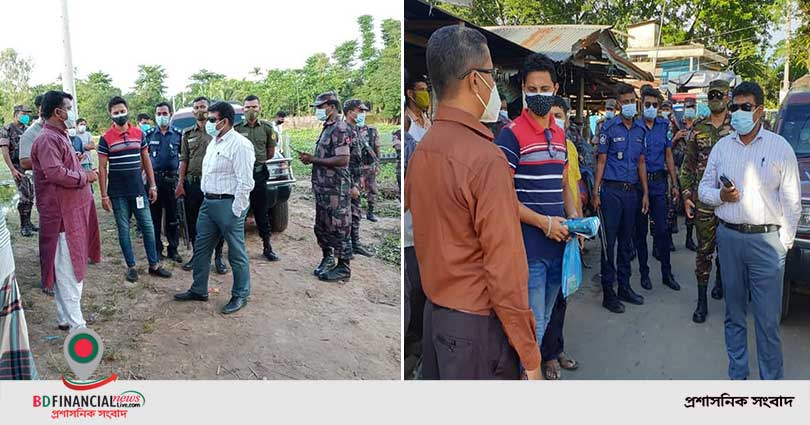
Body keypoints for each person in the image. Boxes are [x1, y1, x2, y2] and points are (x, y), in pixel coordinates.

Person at [405, 25, 542, 380]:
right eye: (492, 74)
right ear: (475, 81)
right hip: (476, 329)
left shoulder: (424, 150)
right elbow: (506, 272)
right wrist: (530, 357)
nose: (495, 84)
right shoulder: (485, 159)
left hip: (437, 317)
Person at [699, 81, 801, 380]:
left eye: (746, 107)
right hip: (729, 238)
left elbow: (792, 200)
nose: (739, 113)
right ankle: (738, 376)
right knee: (734, 315)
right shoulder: (722, 147)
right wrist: (721, 197)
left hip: (766, 243)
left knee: (767, 321)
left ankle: (771, 382)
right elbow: (704, 188)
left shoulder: (779, 147)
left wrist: (783, 243)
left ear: (759, 110)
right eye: (735, 107)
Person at [495, 53, 578, 378]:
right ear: (523, 91)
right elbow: (501, 199)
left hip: (560, 245)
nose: (539, 95)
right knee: (532, 324)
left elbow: (563, 184)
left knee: (543, 323)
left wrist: (573, 219)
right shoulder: (510, 135)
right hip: (528, 249)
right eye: (533, 89)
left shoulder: (559, 134)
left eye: (545, 88)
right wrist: (544, 223)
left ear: (556, 89)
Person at [174, 101, 255, 314]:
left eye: (211, 120)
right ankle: (199, 289)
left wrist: (237, 210)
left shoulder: (240, 145)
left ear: (224, 121)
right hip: (208, 203)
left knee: (236, 252)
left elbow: (246, 181)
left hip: (228, 204)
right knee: (201, 249)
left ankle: (240, 294)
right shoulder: (214, 142)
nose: (207, 122)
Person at [30, 90, 101, 331]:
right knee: (69, 269)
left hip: (70, 212)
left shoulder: (60, 136)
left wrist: (76, 161)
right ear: (58, 112)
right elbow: (56, 173)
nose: (72, 114)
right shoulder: (47, 139)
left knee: (64, 267)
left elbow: (61, 166)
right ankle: (76, 325)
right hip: (61, 216)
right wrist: (85, 176)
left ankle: (64, 317)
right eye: (69, 108)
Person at [97, 96, 171, 283]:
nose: (120, 114)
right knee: (124, 229)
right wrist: (104, 195)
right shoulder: (106, 139)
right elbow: (103, 168)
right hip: (118, 193)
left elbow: (146, 160)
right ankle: (131, 267)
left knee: (147, 227)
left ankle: (154, 265)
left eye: (122, 111)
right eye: (116, 112)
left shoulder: (139, 134)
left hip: (139, 190)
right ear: (110, 114)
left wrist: (152, 185)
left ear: (127, 110)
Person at [680, 80, 733, 323]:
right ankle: (702, 302)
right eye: (710, 94)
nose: (714, 98)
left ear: (727, 96)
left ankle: (722, 283)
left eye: (718, 94)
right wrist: (686, 196)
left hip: (731, 201)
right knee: (704, 250)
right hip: (704, 201)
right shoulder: (698, 129)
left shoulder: (737, 127)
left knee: (729, 251)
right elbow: (687, 167)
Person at [593, 83, 649, 314]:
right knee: (610, 244)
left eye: (631, 101)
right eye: (624, 101)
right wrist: (595, 192)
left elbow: (641, 163)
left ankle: (625, 286)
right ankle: (609, 293)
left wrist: (645, 192)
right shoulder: (609, 128)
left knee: (627, 243)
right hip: (611, 193)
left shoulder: (640, 130)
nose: (629, 105)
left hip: (632, 193)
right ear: (618, 104)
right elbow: (602, 161)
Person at [542, 95, 582, 380]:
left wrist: (578, 225)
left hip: (566, 230)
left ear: (566, 118)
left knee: (561, 299)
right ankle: (544, 358)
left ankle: (556, 350)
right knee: (541, 302)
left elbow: (572, 187)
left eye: (559, 115)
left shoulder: (568, 148)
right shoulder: (535, 146)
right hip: (542, 230)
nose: (555, 119)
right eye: (551, 114)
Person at [298, 92, 353, 282]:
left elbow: (343, 159)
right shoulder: (328, 127)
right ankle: (328, 258)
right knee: (322, 226)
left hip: (336, 189)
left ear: (331, 106)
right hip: (323, 188)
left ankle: (344, 266)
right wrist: (312, 160)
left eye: (320, 107)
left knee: (339, 227)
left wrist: (314, 159)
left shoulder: (339, 127)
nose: (318, 111)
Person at [633, 88, 680, 292]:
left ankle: (666, 273)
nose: (650, 108)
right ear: (641, 104)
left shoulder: (664, 126)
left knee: (662, 230)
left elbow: (668, 155)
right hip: (638, 186)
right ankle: (644, 273)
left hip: (659, 184)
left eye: (654, 105)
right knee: (640, 232)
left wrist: (675, 183)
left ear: (659, 107)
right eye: (647, 104)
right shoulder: (633, 126)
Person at [175, 96, 227, 274]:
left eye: (203, 106)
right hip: (193, 184)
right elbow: (184, 159)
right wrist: (180, 183)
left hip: (215, 185)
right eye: (196, 107)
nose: (199, 110)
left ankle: (219, 257)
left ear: (209, 108)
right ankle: (197, 256)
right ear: (193, 112)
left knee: (218, 222)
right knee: (193, 222)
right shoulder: (188, 133)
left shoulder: (218, 131)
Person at [234, 94, 280, 261]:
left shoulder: (267, 129)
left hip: (259, 174)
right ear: (243, 110)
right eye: (247, 107)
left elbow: (270, 153)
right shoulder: (237, 129)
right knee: (239, 213)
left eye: (254, 107)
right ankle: (237, 249)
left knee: (262, 212)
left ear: (260, 108)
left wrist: (256, 164)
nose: (251, 110)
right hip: (240, 177)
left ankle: (267, 246)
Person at [145, 102, 183, 264]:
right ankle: (157, 249)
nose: (162, 116)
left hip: (171, 179)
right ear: (155, 115)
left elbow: (184, 158)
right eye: (159, 113)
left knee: (173, 217)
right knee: (154, 217)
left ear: (170, 114)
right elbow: (143, 159)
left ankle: (173, 249)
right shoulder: (149, 135)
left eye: (164, 113)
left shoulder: (178, 134)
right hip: (154, 180)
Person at [342, 99, 374, 257]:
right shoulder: (343, 130)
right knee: (345, 215)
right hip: (346, 181)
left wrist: (360, 178)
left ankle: (355, 243)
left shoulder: (355, 130)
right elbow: (342, 161)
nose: (362, 114)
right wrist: (350, 185)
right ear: (349, 112)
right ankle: (345, 246)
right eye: (359, 111)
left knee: (355, 212)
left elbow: (357, 158)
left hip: (355, 177)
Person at [0, 104, 37, 237]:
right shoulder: (7, 129)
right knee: (24, 196)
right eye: (23, 113)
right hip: (17, 166)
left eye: (27, 114)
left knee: (31, 195)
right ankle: (24, 226)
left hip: (29, 165)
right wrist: (12, 170)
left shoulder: (28, 129)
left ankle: (28, 222)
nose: (26, 116)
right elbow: (5, 151)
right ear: (16, 114)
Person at [356, 102, 381, 223]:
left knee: (372, 190)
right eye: (359, 112)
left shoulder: (372, 131)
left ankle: (370, 213)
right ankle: (357, 213)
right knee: (356, 190)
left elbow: (377, 148)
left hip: (369, 166)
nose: (362, 115)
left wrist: (377, 164)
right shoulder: (349, 130)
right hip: (356, 167)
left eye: (363, 112)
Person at [19, 95, 45, 173]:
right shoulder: (30, 133)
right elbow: (24, 163)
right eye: (23, 114)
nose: (26, 116)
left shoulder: (60, 129)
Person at [405, 74, 431, 142]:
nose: (425, 94)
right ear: (410, 93)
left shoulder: (427, 120)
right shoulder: (406, 120)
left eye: (426, 90)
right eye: (421, 90)